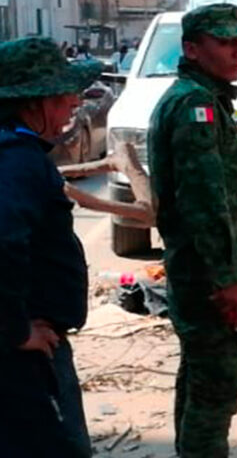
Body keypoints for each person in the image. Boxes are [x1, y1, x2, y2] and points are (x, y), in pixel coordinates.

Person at [148, 3, 237, 457]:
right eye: (225, 43)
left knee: (201, 384)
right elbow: (203, 201)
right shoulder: (195, 106)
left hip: (207, 277)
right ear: (192, 49)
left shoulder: (203, 99)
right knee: (216, 390)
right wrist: (226, 278)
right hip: (209, 282)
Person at [0, 37, 101, 457]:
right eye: (64, 99)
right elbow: (3, 240)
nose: (73, 106)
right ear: (34, 103)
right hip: (24, 356)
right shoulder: (17, 160)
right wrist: (13, 329)